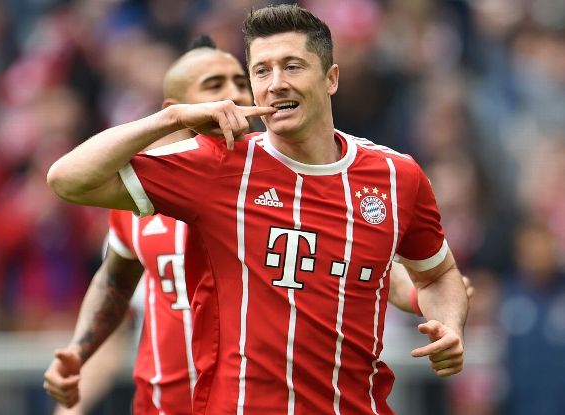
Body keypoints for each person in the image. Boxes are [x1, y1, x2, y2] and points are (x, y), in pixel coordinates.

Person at [46, 4, 469, 413]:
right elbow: (68, 180)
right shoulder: (214, 168)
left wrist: (449, 325)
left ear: (331, 78)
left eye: (293, 66)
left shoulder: (398, 176)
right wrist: (172, 119)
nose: (275, 83)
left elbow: (434, 274)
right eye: (262, 71)